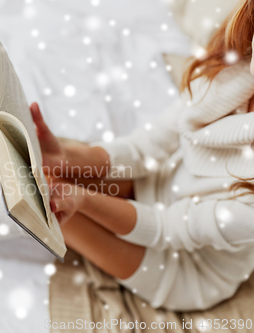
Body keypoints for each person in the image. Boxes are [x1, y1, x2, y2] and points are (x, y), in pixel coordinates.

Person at [33, 0, 254, 311]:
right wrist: (66, 158)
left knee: (41, 206)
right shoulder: (238, 72)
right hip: (157, 185)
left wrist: (81, 198)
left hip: (186, 269)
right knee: (43, 174)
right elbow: (145, 147)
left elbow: (169, 229)